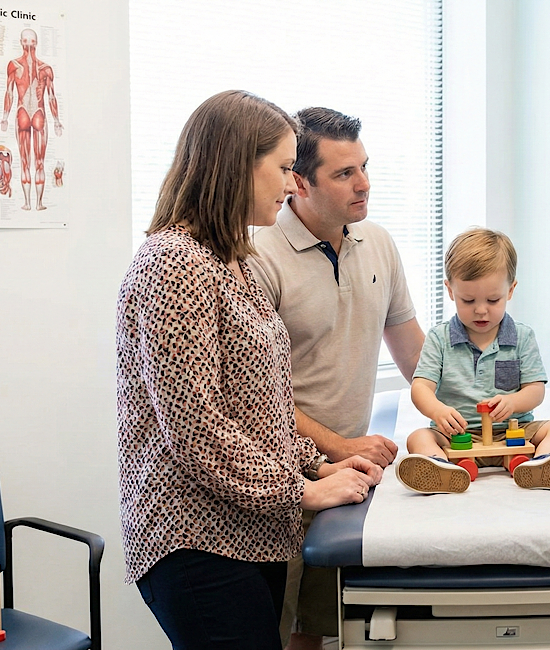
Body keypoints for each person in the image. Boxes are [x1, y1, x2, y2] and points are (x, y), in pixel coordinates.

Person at [116, 90, 382, 650]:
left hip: (247, 531)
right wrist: (297, 490)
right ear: (238, 164)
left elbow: (258, 404)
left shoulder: (232, 259)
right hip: (196, 540)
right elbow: (195, 426)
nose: (292, 184)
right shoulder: (173, 263)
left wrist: (318, 467)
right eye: (284, 168)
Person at [247, 107, 425, 650]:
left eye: (365, 167)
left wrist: (472, 415)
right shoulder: (257, 257)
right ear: (296, 181)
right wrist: (340, 445)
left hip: (345, 472)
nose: (364, 184)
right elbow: (260, 394)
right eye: (344, 174)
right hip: (279, 469)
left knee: (318, 625)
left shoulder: (379, 243)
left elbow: (414, 352)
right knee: (272, 628)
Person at [396, 228, 550, 494]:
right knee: (419, 437)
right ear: (450, 291)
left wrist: (513, 402)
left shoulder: (522, 336)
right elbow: (420, 387)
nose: (481, 310)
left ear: (511, 290)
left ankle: (542, 464)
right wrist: (437, 411)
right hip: (457, 437)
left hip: (514, 433)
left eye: (493, 300)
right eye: (468, 300)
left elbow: (535, 390)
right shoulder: (439, 338)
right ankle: (441, 468)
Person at [1, 28, 61, 211]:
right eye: (26, 41)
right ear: (21, 42)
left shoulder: (43, 69)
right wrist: (4, 117)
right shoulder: (19, 66)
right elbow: (9, 93)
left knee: (35, 161)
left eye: (31, 41)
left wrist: (57, 120)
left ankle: (34, 202)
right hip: (28, 112)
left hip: (33, 112)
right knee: (28, 161)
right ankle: (32, 202)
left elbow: (51, 96)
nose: (28, 45)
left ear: (35, 43)